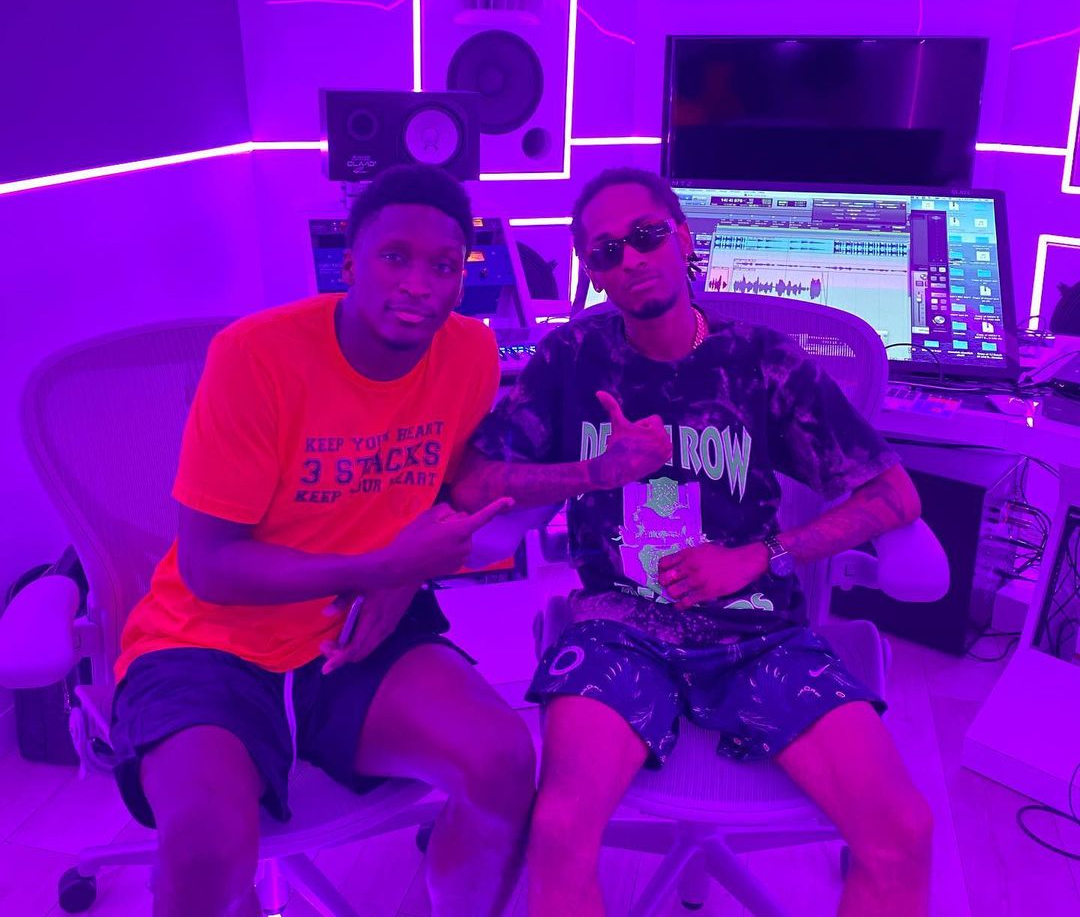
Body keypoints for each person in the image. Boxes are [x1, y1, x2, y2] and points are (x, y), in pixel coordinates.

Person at [452, 167, 933, 917]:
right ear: (591, 271)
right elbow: (475, 483)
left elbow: (894, 496)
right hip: (618, 626)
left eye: (647, 236)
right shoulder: (570, 359)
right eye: (606, 251)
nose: (632, 259)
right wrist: (596, 471)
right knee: (559, 830)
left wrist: (761, 556)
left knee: (903, 833)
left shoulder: (765, 363)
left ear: (682, 237)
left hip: (760, 633)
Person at [110, 165, 535, 917]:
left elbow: (444, 490)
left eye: (444, 265)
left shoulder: (471, 352)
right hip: (205, 642)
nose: (419, 284)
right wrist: (381, 566)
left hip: (353, 634)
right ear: (349, 264)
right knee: (205, 845)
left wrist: (398, 580)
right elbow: (209, 565)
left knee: (503, 762)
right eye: (395, 256)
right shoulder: (256, 356)